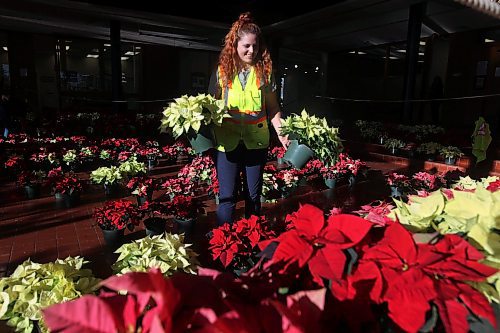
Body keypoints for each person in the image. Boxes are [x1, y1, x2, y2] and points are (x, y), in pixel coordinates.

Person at [208, 12, 289, 226]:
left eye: (255, 46)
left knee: (253, 198)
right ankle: (224, 241)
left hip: (256, 143)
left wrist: (282, 133)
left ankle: (252, 239)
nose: (251, 51)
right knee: (227, 198)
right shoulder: (221, 72)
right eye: (246, 46)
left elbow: (272, 108)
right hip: (227, 143)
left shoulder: (265, 73)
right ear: (235, 44)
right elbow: (209, 107)